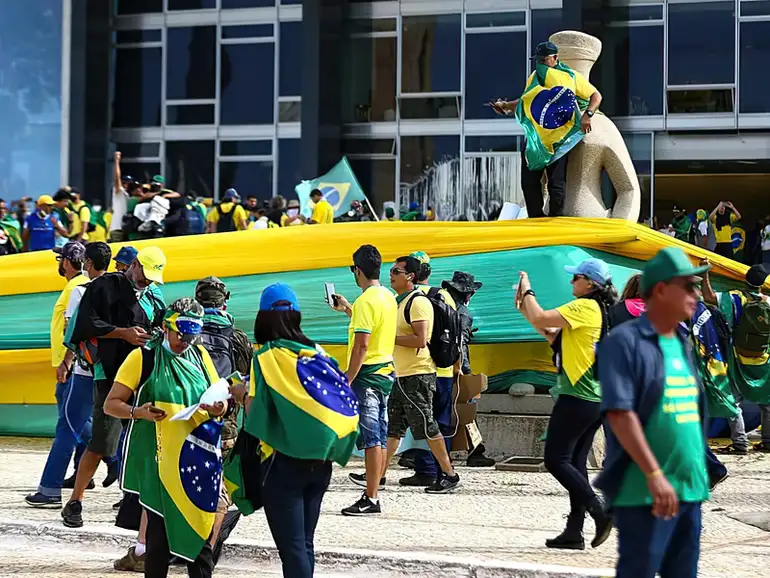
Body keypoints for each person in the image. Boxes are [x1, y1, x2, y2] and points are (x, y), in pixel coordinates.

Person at [229, 283, 359, 578]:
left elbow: (255, 413)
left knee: (293, 550)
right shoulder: (317, 353)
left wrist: (239, 393)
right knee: (305, 543)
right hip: (321, 462)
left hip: (281, 463)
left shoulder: (265, 358)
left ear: (262, 317)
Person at [596, 247, 711, 578]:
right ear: (661, 290)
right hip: (645, 492)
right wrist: (654, 475)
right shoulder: (624, 342)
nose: (696, 294)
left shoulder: (681, 340)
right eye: (688, 286)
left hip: (689, 489)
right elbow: (620, 414)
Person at [104, 298, 227, 578]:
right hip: (158, 461)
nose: (185, 342)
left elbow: (220, 398)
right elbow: (111, 404)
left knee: (201, 533)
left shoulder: (201, 356)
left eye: (191, 336)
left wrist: (221, 407)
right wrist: (139, 412)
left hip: (196, 457)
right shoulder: (143, 358)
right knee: (158, 538)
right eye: (180, 335)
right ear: (164, 327)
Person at [61, 246, 167, 528]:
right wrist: (123, 333)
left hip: (143, 375)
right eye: (145, 275)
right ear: (133, 265)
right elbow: (85, 323)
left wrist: (155, 333)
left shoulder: (153, 297)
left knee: (143, 441)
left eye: (152, 278)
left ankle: (134, 500)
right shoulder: (104, 287)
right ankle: (75, 501)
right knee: (102, 440)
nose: (147, 282)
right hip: (109, 373)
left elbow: (162, 324)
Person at [516, 258, 616, 550]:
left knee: (555, 460)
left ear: (591, 283)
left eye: (576, 278)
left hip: (577, 395)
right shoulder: (599, 309)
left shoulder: (585, 306)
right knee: (574, 463)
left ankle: (599, 511)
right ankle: (574, 530)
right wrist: (524, 305)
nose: (572, 282)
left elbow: (542, 316)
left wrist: (528, 289)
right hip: (595, 397)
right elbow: (549, 333)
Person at [491, 41, 602, 218]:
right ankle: (536, 218)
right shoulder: (535, 77)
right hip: (536, 137)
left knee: (556, 183)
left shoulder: (570, 77)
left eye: (544, 60)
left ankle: (555, 220)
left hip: (559, 137)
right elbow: (528, 100)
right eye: (538, 60)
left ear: (555, 58)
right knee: (528, 181)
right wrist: (505, 106)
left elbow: (596, 96)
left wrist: (587, 115)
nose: (541, 64)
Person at [380, 256, 461, 493]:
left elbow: (421, 339)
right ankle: (379, 474)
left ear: (410, 277)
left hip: (418, 375)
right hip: (402, 375)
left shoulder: (418, 303)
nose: (391, 274)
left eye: (396, 271)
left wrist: (389, 339)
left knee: (428, 426)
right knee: (394, 427)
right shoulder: (398, 301)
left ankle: (449, 474)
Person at [331, 245, 397, 515]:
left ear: (357, 270)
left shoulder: (365, 302)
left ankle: (371, 497)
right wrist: (348, 309)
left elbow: (361, 346)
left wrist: (347, 377)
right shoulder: (387, 296)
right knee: (379, 437)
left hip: (366, 376)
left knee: (371, 439)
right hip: (385, 372)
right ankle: (373, 491)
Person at [23, 243, 89, 507]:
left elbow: (70, 330)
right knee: (78, 422)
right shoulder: (75, 286)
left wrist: (66, 362)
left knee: (68, 425)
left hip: (70, 366)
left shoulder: (76, 289)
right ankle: (100, 461)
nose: (58, 263)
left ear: (69, 262)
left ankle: (50, 489)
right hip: (69, 364)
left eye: (61, 259)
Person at [702, 263, 770, 456]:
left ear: (745, 279)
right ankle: (768, 442)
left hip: (737, 357)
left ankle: (740, 444)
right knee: (767, 402)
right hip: (764, 359)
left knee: (734, 401)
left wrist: (706, 273)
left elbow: (709, 298)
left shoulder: (734, 298)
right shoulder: (769, 302)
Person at [441, 271, 495, 467]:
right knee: (467, 409)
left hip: (440, 367)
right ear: (468, 294)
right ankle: (476, 451)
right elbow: (460, 343)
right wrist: (464, 370)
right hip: (457, 368)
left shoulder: (442, 308)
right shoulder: (463, 313)